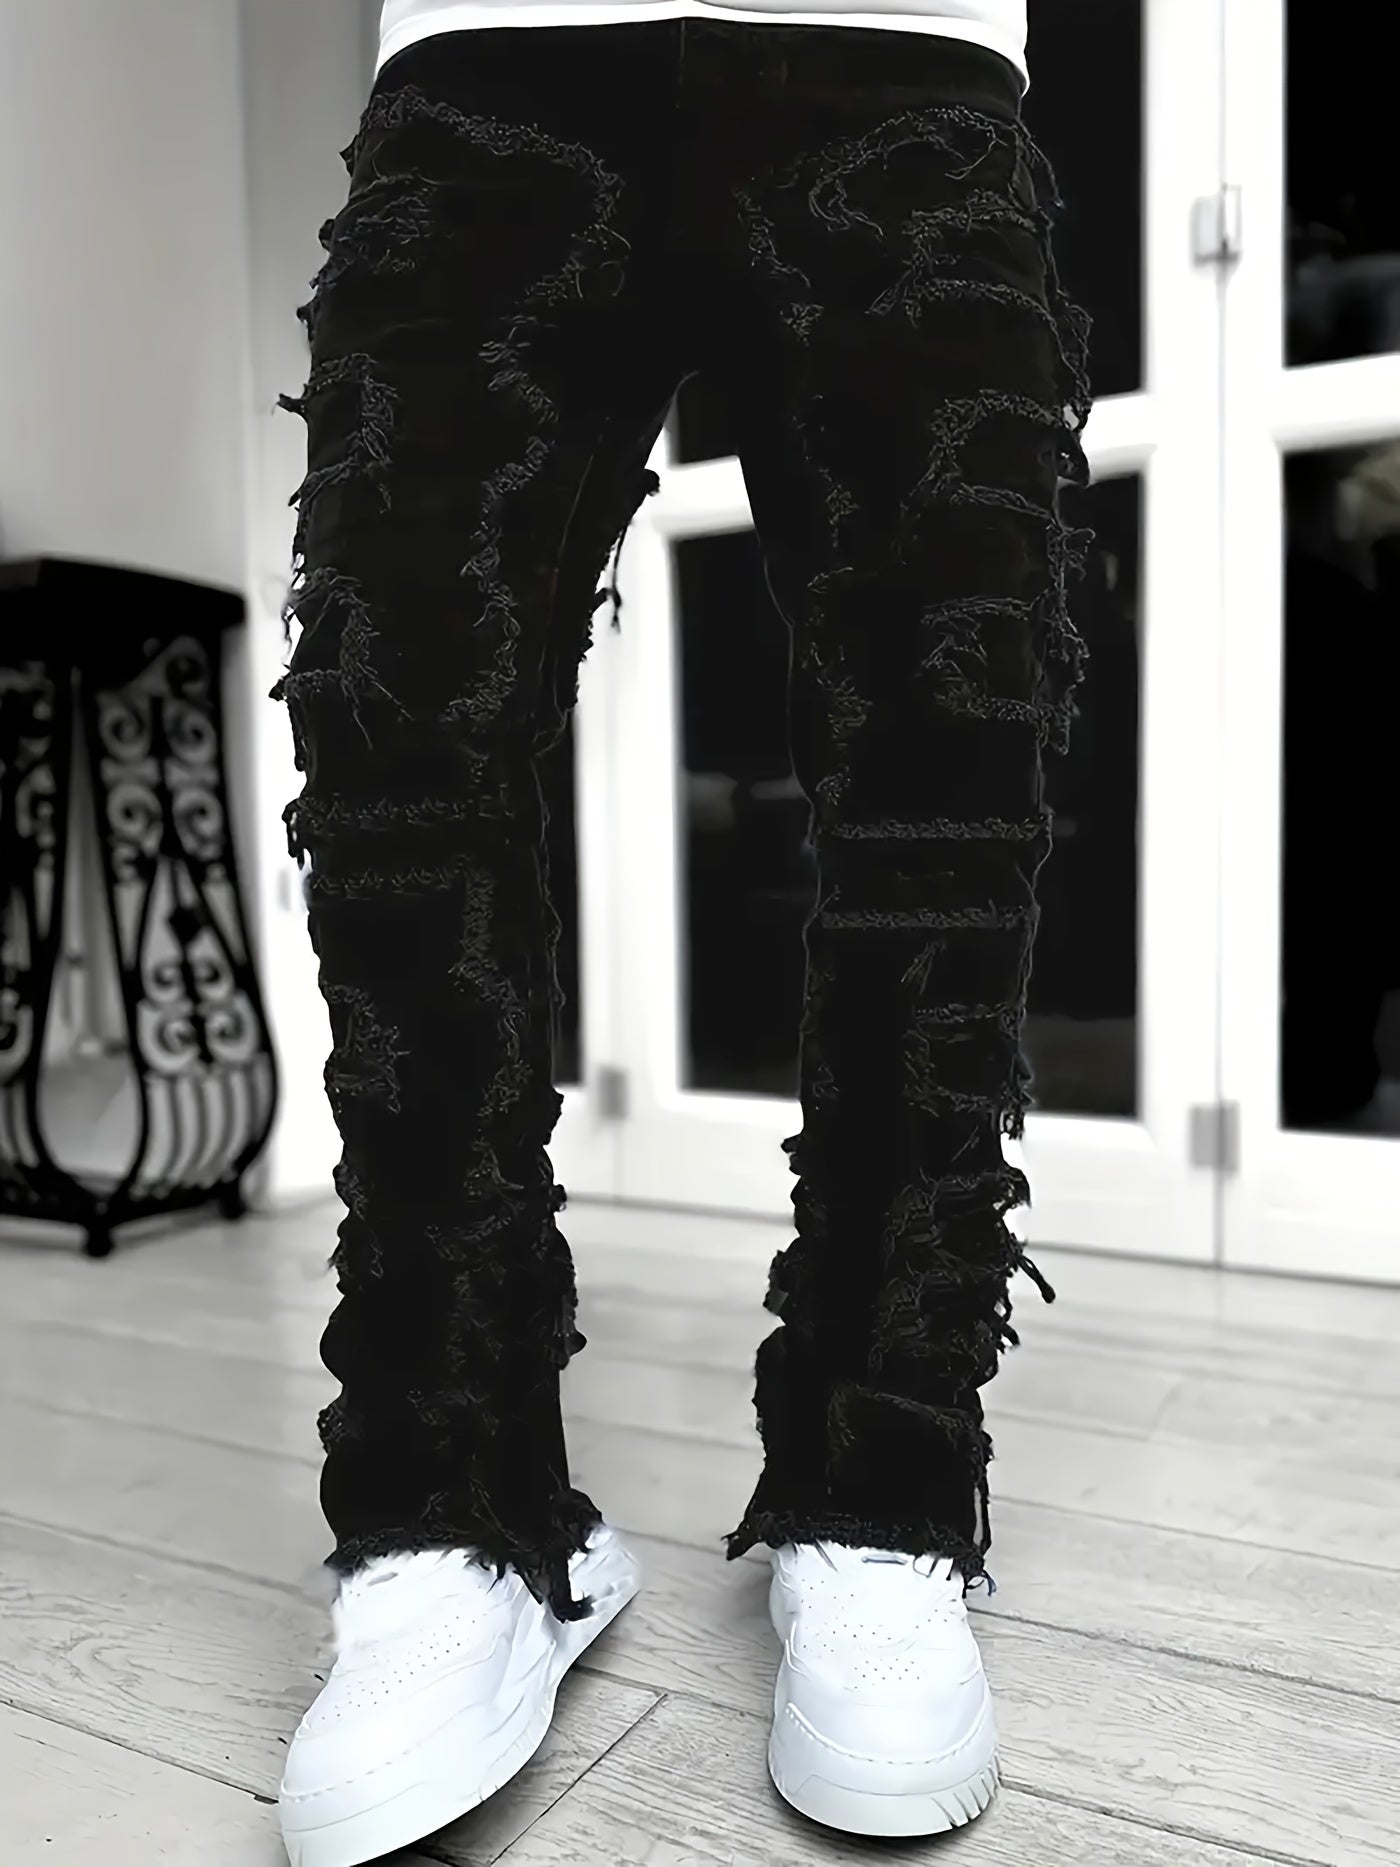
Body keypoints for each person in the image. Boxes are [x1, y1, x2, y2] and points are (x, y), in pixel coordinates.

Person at [272, 2, 1090, 1860]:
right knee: (397, 754)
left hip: (905, 49)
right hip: (487, 52)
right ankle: (455, 1510)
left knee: (944, 778)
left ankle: (878, 1486)